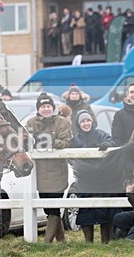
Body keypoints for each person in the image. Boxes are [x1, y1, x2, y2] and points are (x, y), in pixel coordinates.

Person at [26, 93, 72, 243]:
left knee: (53, 208)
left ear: (52, 108)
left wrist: (49, 141)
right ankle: (62, 242)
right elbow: (24, 139)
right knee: (49, 208)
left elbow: (66, 141)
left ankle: (46, 242)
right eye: (42, 106)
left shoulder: (61, 122)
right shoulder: (31, 122)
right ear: (38, 109)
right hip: (38, 173)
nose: (46, 109)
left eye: (48, 106)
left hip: (56, 171)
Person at [69, 110, 116, 243]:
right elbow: (70, 155)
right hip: (85, 179)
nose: (86, 123)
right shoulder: (75, 139)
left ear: (92, 121)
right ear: (78, 124)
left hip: (102, 178)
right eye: (83, 121)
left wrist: (105, 145)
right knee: (86, 210)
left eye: (88, 120)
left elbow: (111, 142)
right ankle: (88, 242)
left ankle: (105, 241)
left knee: (104, 210)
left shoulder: (101, 134)